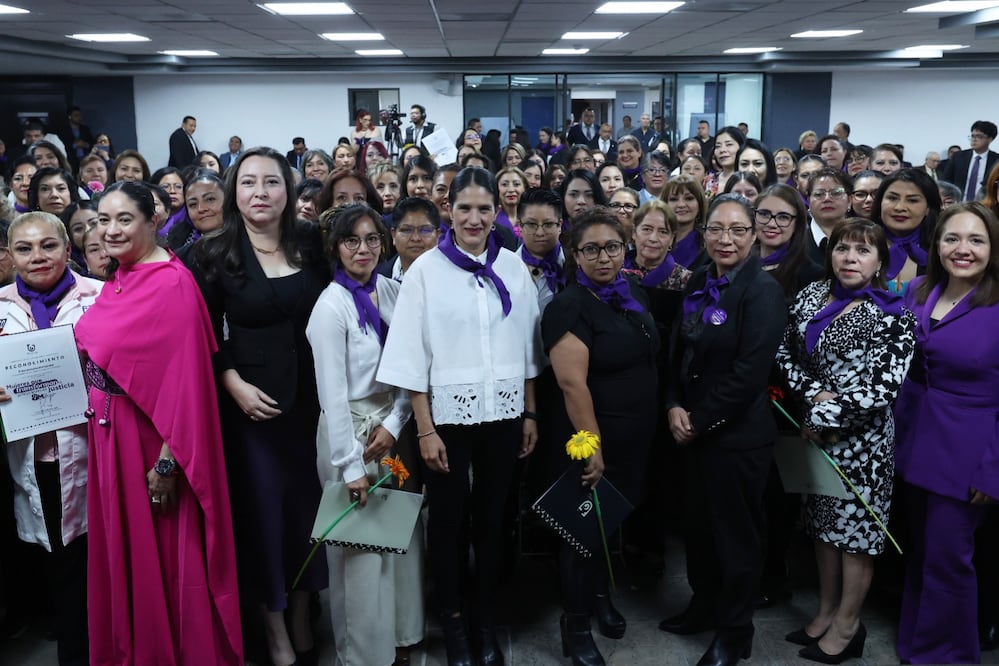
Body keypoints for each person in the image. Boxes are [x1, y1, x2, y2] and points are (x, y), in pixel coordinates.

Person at [376, 167, 541, 666]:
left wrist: (530, 412)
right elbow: (411, 355)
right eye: (464, 208)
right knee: (448, 522)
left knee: (493, 520)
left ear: (498, 211)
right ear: (449, 209)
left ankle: (483, 618)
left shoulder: (513, 266)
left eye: (484, 208)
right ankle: (452, 623)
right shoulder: (426, 270)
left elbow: (529, 345)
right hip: (445, 417)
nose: (474, 218)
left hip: (504, 411)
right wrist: (424, 428)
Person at [75, 180, 243, 664]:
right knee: (124, 555)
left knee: (162, 558)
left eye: (124, 219)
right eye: (102, 220)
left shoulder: (171, 283)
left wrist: (166, 467)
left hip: (148, 442)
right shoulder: (121, 275)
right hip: (109, 436)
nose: (110, 230)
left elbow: (186, 389)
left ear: (155, 221)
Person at [189, 147, 329, 666]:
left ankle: (301, 610)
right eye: (248, 183)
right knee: (267, 517)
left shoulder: (311, 241)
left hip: (315, 402)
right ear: (234, 192)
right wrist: (231, 383)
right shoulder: (211, 252)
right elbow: (201, 332)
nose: (260, 193)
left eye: (271, 182)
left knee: (306, 514)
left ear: (288, 191)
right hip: (252, 409)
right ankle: (273, 628)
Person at [777, 218, 915, 664]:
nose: (850, 258)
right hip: (814, 434)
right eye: (842, 249)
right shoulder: (811, 295)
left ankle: (848, 625)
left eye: (862, 251)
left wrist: (822, 412)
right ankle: (824, 612)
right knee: (821, 530)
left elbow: (881, 390)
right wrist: (813, 398)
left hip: (863, 444)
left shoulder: (894, 313)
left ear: (880, 262)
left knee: (856, 538)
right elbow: (784, 355)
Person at [662, 193, 786, 664]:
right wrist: (673, 403)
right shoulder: (698, 279)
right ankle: (703, 605)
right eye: (716, 229)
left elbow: (750, 373)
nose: (726, 238)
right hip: (690, 430)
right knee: (699, 530)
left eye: (737, 230)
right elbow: (679, 353)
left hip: (735, 438)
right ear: (704, 233)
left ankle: (735, 631)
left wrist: (697, 418)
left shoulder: (763, 291)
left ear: (753, 236)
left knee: (736, 537)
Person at [307, 203, 424, 666]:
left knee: (398, 537)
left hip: (390, 428)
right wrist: (351, 465)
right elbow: (332, 398)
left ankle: (399, 636)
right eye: (351, 240)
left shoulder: (393, 291)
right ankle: (362, 653)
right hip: (349, 434)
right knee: (359, 551)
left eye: (372, 239)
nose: (363, 249)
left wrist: (395, 424)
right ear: (336, 247)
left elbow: (412, 368)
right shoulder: (330, 307)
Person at [542, 207, 659, 666]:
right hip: (590, 439)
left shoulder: (631, 293)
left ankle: (597, 594)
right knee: (580, 531)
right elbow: (572, 384)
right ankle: (574, 625)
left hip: (635, 435)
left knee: (607, 525)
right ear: (574, 254)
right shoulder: (568, 306)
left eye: (612, 246)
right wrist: (594, 447)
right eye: (590, 249)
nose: (603, 257)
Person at [893, 202, 999, 664]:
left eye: (976, 240)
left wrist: (993, 471)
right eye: (952, 238)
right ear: (936, 244)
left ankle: (949, 657)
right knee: (922, 552)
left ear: (993, 249)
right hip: (914, 441)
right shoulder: (918, 289)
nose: (962, 249)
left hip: (969, 451)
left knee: (949, 559)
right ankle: (918, 643)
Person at [0, 211, 102, 665]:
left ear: (67, 248)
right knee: (57, 559)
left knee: (93, 561)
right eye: (25, 248)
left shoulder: (99, 297)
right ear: (10, 255)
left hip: (95, 449)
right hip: (32, 454)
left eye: (48, 246)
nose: (37, 256)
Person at [872, 168, 940, 294]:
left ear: (928, 208)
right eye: (892, 198)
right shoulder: (860, 245)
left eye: (912, 200)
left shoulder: (940, 252)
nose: (900, 207)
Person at [379, 196, 440, 281]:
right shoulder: (377, 278)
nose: (416, 238)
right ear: (393, 235)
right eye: (407, 230)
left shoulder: (453, 274)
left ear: (438, 235)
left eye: (424, 230)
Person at [169, 169, 224, 262]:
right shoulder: (182, 258)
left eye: (210, 199)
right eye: (193, 204)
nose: (201, 209)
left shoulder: (251, 243)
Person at [804, 167, 853, 266]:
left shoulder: (865, 237)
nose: (827, 199)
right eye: (818, 194)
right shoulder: (795, 241)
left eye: (836, 193)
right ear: (808, 201)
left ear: (849, 200)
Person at [941, 120, 999, 200]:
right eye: (972, 136)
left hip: (984, 204)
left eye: (979, 136)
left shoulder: (996, 160)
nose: (974, 139)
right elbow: (945, 181)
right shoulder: (958, 156)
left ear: (990, 139)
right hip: (959, 202)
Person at [662, 176, 708, 269]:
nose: (681, 205)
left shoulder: (708, 242)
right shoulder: (654, 239)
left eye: (689, 198)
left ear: (699, 205)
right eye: (674, 199)